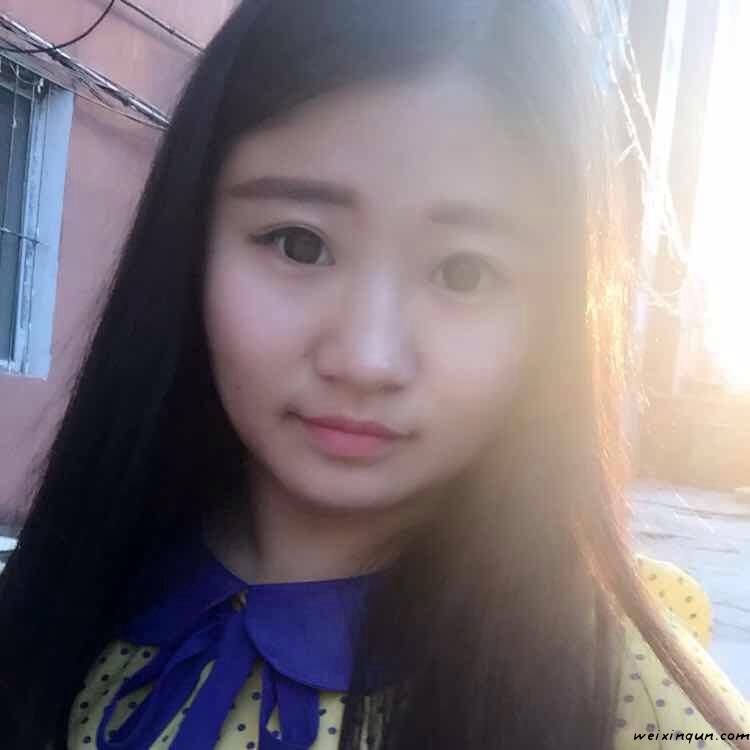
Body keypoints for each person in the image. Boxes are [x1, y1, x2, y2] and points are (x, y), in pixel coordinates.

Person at [0, 1, 747, 748]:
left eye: (464, 272)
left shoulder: (637, 705)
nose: (366, 358)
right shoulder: (73, 594)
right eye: (299, 244)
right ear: (190, 246)